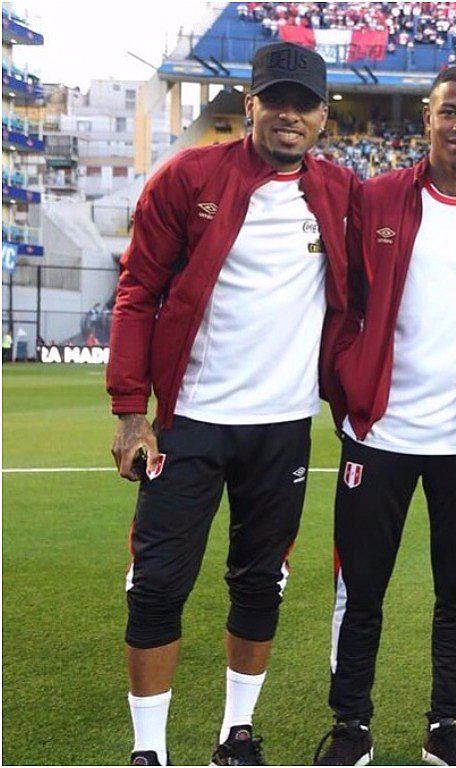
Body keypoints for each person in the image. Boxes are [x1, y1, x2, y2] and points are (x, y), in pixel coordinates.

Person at [106, 42, 359, 766]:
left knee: (260, 584)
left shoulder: (339, 191)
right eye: (275, 100)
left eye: (304, 104)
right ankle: (149, 750)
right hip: (188, 424)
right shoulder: (189, 177)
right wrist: (131, 410)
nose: (289, 115)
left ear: (323, 117)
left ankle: (236, 734)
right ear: (250, 106)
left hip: (282, 426)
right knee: (157, 585)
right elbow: (138, 290)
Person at [311, 66, 456, 767]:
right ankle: (351, 725)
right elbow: (341, 300)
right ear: (428, 118)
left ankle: (447, 726)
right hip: (379, 433)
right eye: (450, 112)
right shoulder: (376, 198)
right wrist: (350, 383)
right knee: (360, 589)